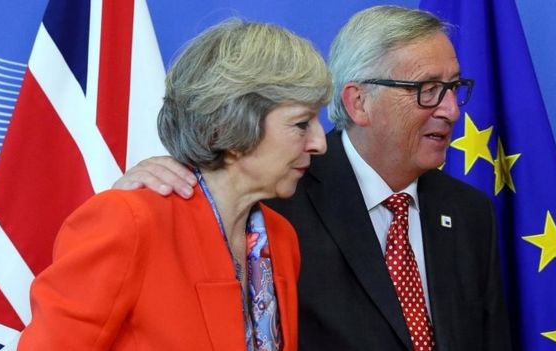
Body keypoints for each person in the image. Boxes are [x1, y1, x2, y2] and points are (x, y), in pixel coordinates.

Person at [114, 6, 512, 351]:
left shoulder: (469, 212)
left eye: (453, 88)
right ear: (359, 102)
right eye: (427, 89)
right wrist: (153, 185)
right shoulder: (273, 196)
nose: (450, 110)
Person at [18, 19, 331, 351]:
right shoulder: (128, 221)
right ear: (231, 126)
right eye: (301, 123)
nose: (319, 143)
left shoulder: (281, 238)